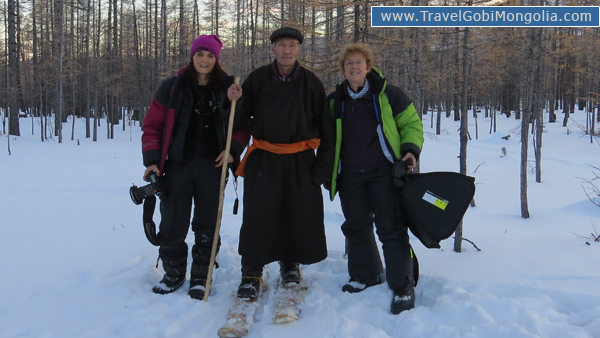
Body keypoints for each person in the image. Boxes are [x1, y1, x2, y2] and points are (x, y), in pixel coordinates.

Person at [141, 34, 249, 300]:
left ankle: (201, 277)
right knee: (173, 223)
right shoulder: (172, 87)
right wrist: (152, 160)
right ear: (192, 56)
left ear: (216, 59)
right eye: (200, 54)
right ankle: (174, 274)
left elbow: (242, 127)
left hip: (213, 167)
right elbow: (152, 126)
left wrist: (232, 151)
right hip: (177, 166)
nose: (205, 60)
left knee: (207, 224)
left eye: (210, 55)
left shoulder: (228, 87)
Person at [232, 27, 335, 299]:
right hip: (264, 159)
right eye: (281, 45)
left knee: (296, 215)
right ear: (273, 49)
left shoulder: (311, 83)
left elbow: (328, 132)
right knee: (258, 217)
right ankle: (251, 272)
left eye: (292, 45)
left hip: (300, 162)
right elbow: (237, 120)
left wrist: (319, 171)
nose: (287, 50)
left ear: (299, 49)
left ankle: (290, 264)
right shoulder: (256, 80)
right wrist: (231, 100)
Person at [327, 43, 424, 314]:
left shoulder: (388, 94)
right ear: (343, 70)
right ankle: (365, 276)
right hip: (349, 175)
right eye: (349, 64)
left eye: (359, 62)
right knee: (356, 226)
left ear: (368, 67)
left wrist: (410, 151)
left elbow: (412, 124)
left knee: (390, 227)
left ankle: (402, 286)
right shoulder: (335, 101)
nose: (354, 67)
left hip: (383, 172)